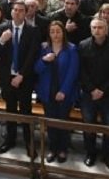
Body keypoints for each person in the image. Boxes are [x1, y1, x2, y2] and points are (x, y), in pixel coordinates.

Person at [0, 1, 42, 155]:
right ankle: (10, 139)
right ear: (11, 12)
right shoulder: (3, 28)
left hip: (25, 77)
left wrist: (21, 75)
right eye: (15, 10)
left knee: (26, 111)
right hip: (7, 77)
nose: (18, 12)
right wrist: (2, 40)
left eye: (21, 10)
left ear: (26, 13)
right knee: (10, 110)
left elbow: (32, 55)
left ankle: (29, 142)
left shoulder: (33, 30)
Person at [78, 17, 109, 171]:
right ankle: (90, 153)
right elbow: (81, 70)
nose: (97, 30)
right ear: (90, 29)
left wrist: (103, 90)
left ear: (106, 30)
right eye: (94, 27)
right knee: (89, 125)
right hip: (88, 94)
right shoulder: (83, 45)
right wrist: (92, 89)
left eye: (100, 27)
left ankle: (108, 155)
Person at [34, 20, 79, 163]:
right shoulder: (44, 47)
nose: (55, 34)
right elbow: (36, 69)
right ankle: (53, 148)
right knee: (50, 121)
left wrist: (64, 91)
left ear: (63, 33)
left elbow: (73, 72)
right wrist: (44, 60)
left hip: (65, 91)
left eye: (58, 31)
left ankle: (63, 149)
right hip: (47, 91)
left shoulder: (71, 49)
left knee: (63, 121)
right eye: (52, 32)